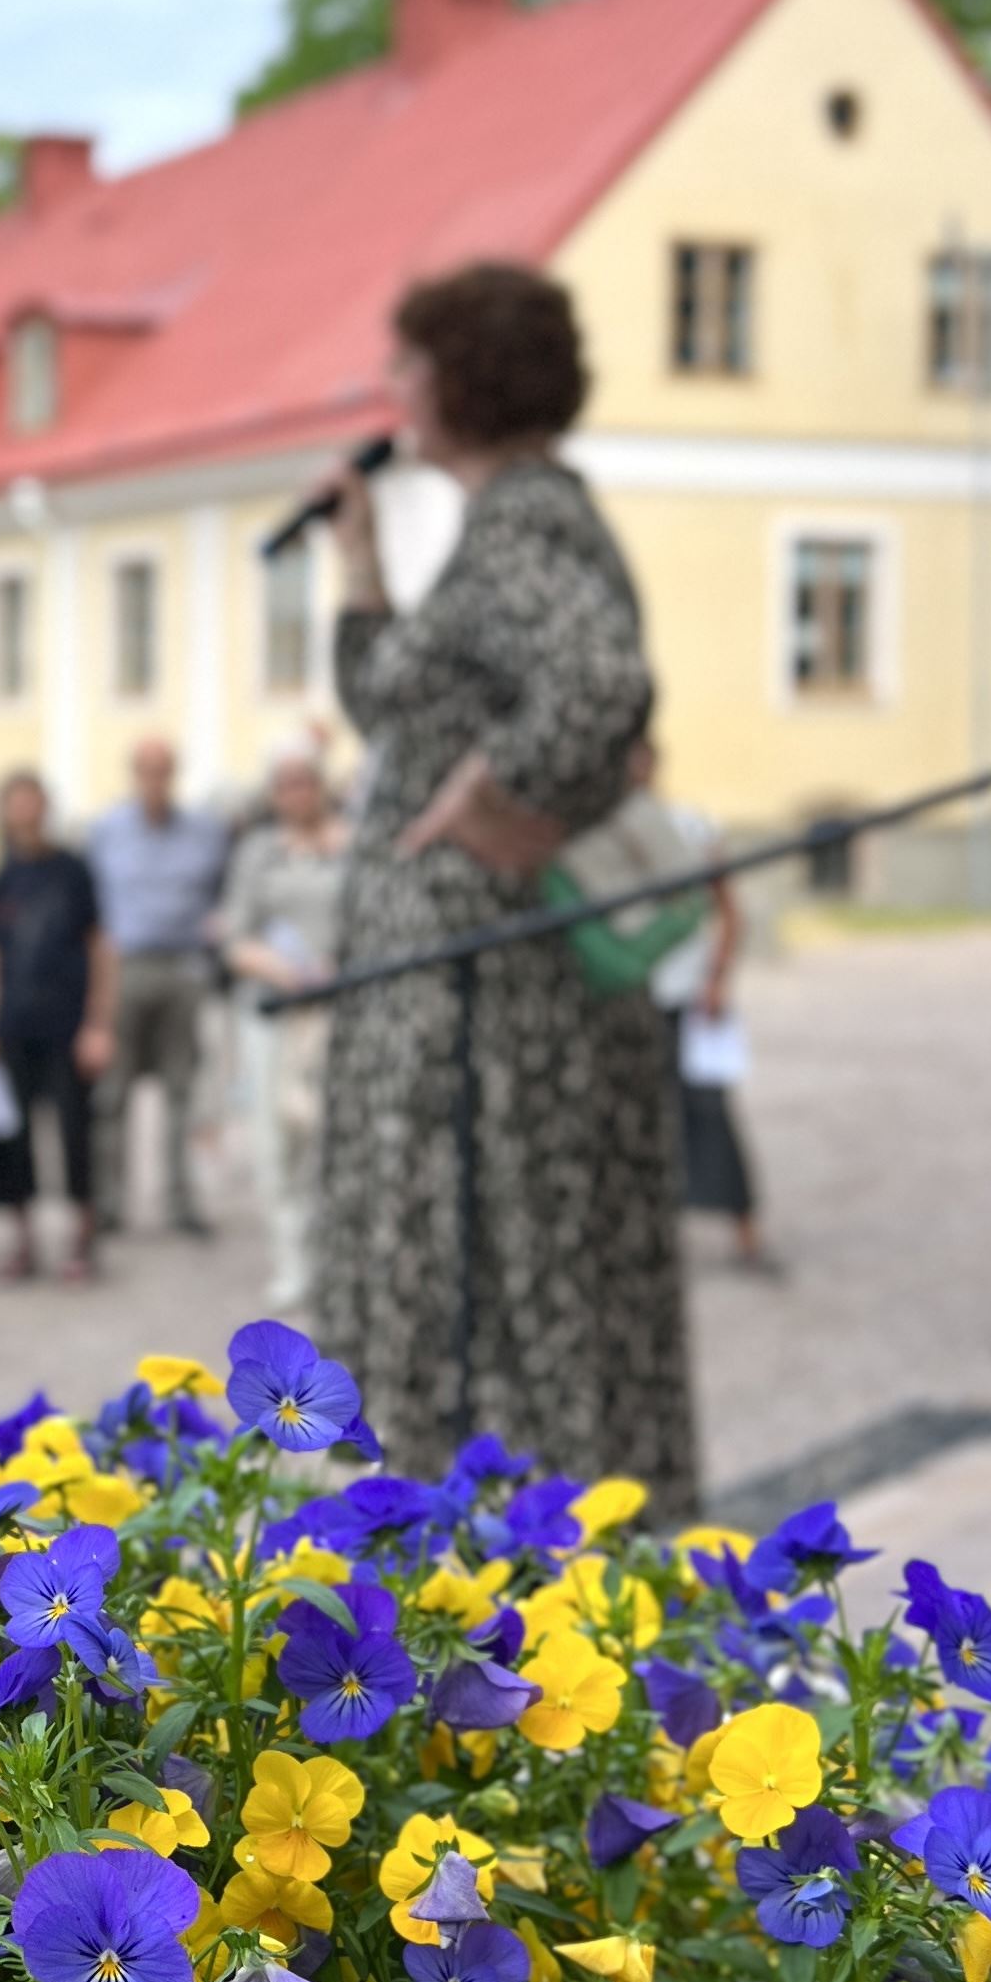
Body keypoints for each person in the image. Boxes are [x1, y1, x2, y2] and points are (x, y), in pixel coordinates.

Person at [317, 263, 695, 1502]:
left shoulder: (525, 526)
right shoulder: (511, 526)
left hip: (491, 1009)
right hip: (471, 991)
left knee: (500, 1291)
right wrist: (361, 562)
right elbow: (392, 705)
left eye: (409, 363)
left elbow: (600, 684)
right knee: (500, 1290)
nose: (394, 385)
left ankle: (502, 1546)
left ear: (461, 379)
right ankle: (505, 1530)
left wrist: (498, 796)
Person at [625, 735, 771, 1272]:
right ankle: (650, 1238)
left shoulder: (690, 828)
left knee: (710, 1111)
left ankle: (745, 1232)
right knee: (636, 1122)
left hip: (686, 994)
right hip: (630, 994)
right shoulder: (600, 836)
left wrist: (716, 980)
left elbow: (728, 911)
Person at [216, 736, 351, 1313]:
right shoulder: (259, 852)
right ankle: (292, 1262)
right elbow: (235, 937)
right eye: (286, 783)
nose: (298, 793)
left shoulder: (353, 844)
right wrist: (286, 973)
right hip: (273, 1011)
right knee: (276, 1139)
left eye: (307, 780)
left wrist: (336, 971)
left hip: (341, 1010)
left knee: (331, 1138)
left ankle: (334, 1259)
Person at [86, 739, 229, 1238]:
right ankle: (108, 1201)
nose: (155, 780)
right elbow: (93, 910)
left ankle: (180, 1200)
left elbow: (222, 897)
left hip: (184, 968)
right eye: (146, 770)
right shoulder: (106, 832)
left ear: (174, 774)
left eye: (163, 770)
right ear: (133, 774)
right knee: (112, 1092)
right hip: (124, 967)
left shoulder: (206, 833)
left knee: (182, 1090)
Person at [0, 771, 113, 1285]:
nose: (24, 812)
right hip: (14, 1025)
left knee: (75, 1131)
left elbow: (100, 947)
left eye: (31, 801)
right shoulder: (2, 876)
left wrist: (98, 1022)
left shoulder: (73, 871)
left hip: (67, 1025)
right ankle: (24, 1238)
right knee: (12, 1135)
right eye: (15, 802)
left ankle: (82, 1235)